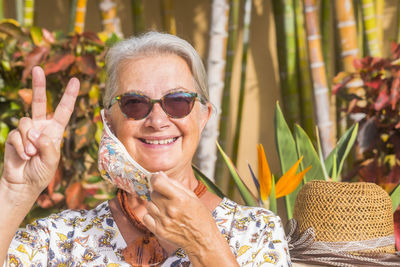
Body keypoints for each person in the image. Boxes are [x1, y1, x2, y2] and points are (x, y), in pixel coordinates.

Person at [0, 32, 291, 266]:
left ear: (203, 117)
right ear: (109, 122)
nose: (157, 120)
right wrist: (15, 192)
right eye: (134, 104)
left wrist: (205, 243)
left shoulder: (257, 232)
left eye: (178, 101)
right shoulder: (62, 238)